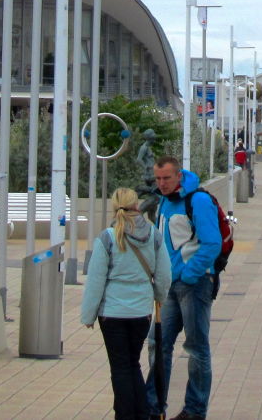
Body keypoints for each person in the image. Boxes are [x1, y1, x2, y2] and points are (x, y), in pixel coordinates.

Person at [81, 187, 172, 420]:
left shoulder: (108, 237)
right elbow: (164, 274)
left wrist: (88, 316)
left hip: (111, 314)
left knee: (120, 367)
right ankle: (141, 413)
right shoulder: (153, 234)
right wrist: (159, 298)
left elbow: (96, 281)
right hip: (141, 312)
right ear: (137, 205)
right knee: (133, 364)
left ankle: (124, 415)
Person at [145, 158, 222, 420]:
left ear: (179, 175)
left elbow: (212, 244)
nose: (161, 184)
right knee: (158, 343)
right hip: (168, 285)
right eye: (158, 179)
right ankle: (153, 405)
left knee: (196, 347)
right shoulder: (164, 201)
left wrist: (189, 274)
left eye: (166, 178)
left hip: (194, 285)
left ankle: (195, 410)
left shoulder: (198, 201)